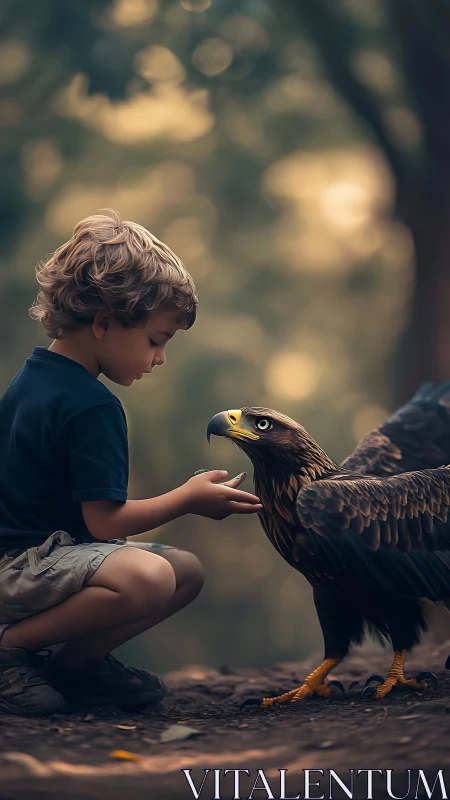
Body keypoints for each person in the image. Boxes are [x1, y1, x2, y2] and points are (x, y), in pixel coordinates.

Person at [0, 210, 263, 716]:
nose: (159, 358)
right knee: (152, 578)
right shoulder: (93, 406)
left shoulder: (31, 378)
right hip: (21, 568)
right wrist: (188, 498)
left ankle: (78, 668)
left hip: (32, 559)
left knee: (183, 570)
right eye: (155, 340)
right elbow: (105, 522)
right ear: (104, 323)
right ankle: (10, 647)